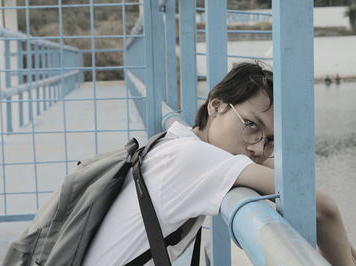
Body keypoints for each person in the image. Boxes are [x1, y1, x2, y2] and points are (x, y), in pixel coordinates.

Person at [82, 62, 355, 265]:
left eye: (270, 140)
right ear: (216, 105)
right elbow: (320, 207)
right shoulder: (195, 158)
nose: (258, 147)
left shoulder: (175, 141)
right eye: (251, 125)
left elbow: (294, 185)